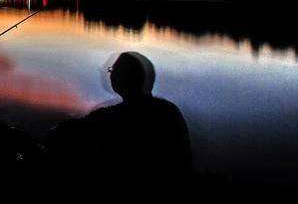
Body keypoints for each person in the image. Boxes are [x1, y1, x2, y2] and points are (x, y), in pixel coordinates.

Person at [46, 51, 192, 188]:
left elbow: (64, 132)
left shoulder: (110, 117)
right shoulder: (169, 110)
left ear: (122, 78)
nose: (110, 74)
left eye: (113, 70)